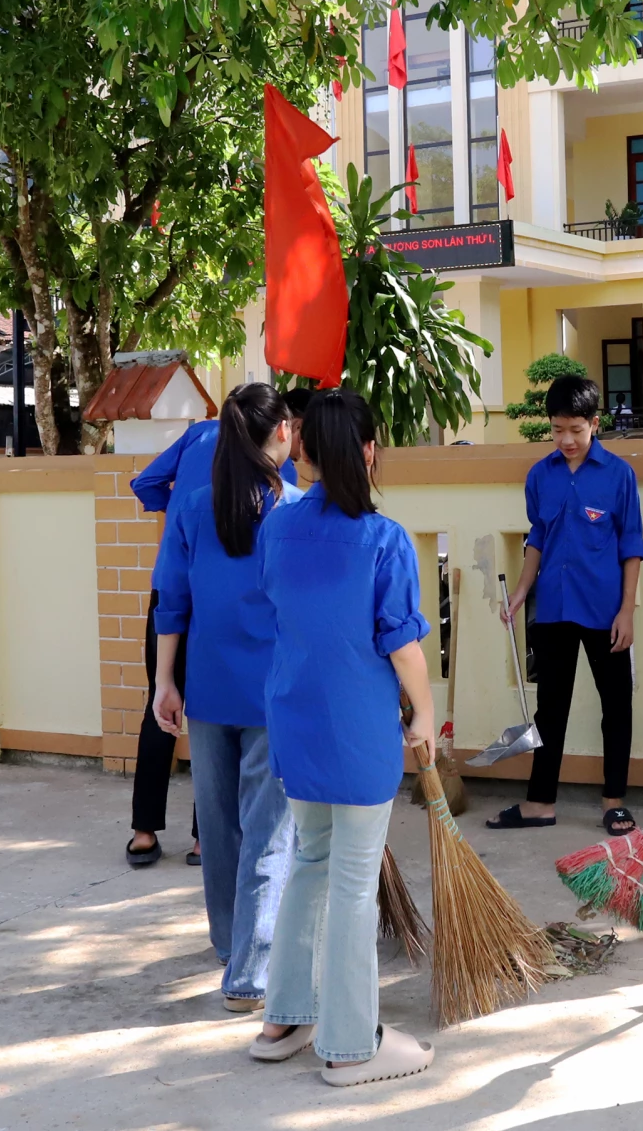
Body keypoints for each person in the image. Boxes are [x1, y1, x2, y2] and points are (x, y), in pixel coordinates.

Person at [249, 390, 437, 1086]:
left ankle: (285, 1018)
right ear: (366, 450)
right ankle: (352, 1044)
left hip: (294, 720)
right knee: (353, 881)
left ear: (304, 450)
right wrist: (423, 714)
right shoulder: (384, 539)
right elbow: (404, 647)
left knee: (312, 861)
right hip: (357, 730)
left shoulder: (280, 529)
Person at [150, 383, 301, 1013]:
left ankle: (227, 944)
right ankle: (250, 972)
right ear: (281, 436)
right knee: (269, 833)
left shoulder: (190, 505)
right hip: (276, 692)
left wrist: (164, 681)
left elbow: (171, 600)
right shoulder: (294, 511)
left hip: (208, 688)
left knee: (217, 825)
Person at [126, 410, 298, 867]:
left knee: (161, 703)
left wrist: (180, 504)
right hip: (230, 613)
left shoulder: (196, 437)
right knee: (221, 717)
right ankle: (206, 838)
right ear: (279, 426)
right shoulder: (282, 470)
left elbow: (144, 484)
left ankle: (144, 830)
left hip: (171, 592)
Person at [487, 374, 643, 836]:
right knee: (550, 709)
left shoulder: (619, 475)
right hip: (553, 608)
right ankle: (540, 802)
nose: (567, 439)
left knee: (616, 706)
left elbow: (631, 547)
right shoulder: (540, 476)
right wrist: (520, 591)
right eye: (558, 430)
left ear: (594, 423)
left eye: (576, 429)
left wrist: (628, 610)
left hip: (605, 611)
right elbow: (538, 538)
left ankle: (614, 802)